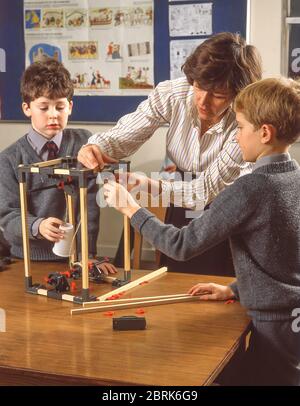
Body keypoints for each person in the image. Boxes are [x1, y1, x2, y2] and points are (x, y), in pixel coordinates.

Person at [103, 77, 300, 385]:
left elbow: (181, 245)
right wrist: (234, 289)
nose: (235, 138)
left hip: (274, 325)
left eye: (239, 127)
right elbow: (280, 258)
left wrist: (130, 208)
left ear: (264, 133)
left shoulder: (250, 188)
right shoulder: (294, 176)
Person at [78, 32, 262, 276]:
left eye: (218, 95)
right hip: (180, 192)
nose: (203, 101)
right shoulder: (173, 93)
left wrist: (148, 186)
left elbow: (205, 191)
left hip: (226, 201)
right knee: (175, 274)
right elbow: (127, 133)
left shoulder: (246, 119)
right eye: (199, 87)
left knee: (222, 284)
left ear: (238, 94)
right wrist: (97, 147)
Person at [0, 59, 116, 274]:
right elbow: (8, 216)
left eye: (60, 107)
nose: (53, 114)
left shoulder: (84, 143)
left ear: (70, 107)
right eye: (43, 107)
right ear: (27, 108)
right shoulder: (8, 159)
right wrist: (38, 226)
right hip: (26, 260)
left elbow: (89, 208)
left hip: (75, 257)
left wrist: (87, 255)